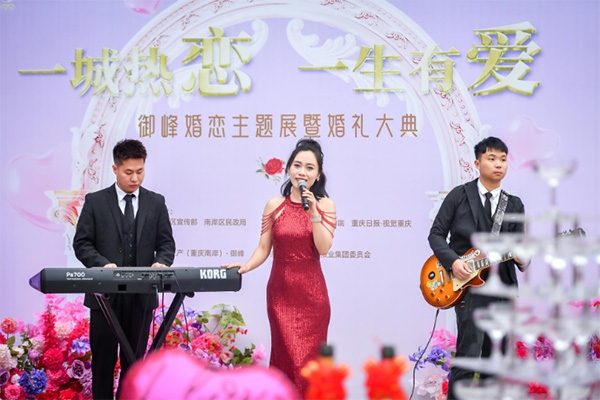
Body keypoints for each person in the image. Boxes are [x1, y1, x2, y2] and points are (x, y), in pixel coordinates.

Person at [223, 138, 336, 395]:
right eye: (297, 165)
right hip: (281, 296)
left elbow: (323, 248)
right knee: (286, 361)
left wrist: (314, 214)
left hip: (313, 298)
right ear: (288, 169)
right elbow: (264, 248)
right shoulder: (274, 205)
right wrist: (246, 266)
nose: (302, 172)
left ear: (318, 175)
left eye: (309, 167)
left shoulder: (325, 206)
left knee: (310, 367)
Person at [73, 139, 175, 400]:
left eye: (140, 171)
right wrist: (102, 265)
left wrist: (161, 263)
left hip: (141, 298)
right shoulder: (95, 202)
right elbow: (82, 244)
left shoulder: (156, 202)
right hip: (104, 298)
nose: (135, 178)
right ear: (115, 169)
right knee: (103, 364)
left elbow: (166, 244)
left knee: (135, 365)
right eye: (128, 172)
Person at [427, 136, 527, 399]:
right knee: (469, 356)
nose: (498, 164)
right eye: (491, 159)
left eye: (503, 159)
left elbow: (523, 253)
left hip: (502, 289)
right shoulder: (459, 195)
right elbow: (436, 235)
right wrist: (454, 262)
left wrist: (522, 257)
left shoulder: (514, 204)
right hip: (468, 288)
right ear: (477, 163)